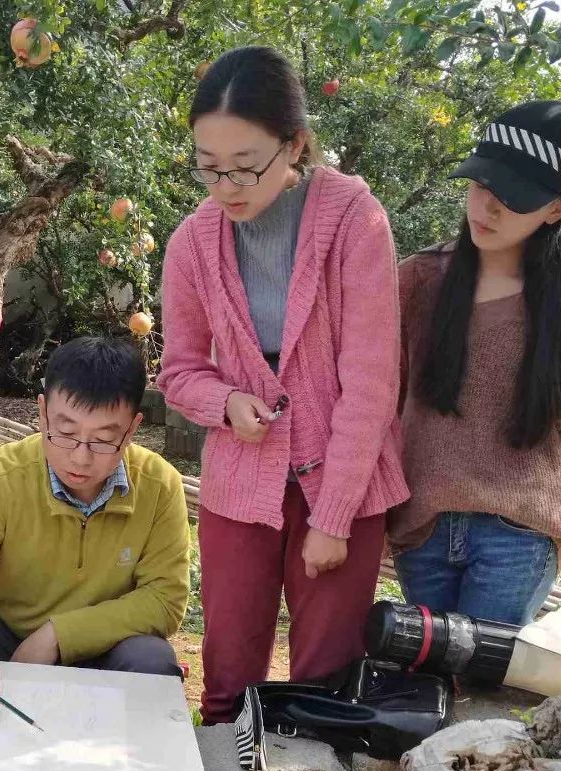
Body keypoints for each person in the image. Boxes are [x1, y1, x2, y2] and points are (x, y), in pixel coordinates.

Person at [158, 46, 408, 724]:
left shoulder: (354, 218)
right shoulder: (192, 243)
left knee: (326, 672)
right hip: (241, 483)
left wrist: (333, 518)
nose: (227, 187)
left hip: (345, 481)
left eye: (245, 167)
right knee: (229, 666)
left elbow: (371, 381)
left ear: (294, 143)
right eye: (209, 169)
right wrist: (224, 401)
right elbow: (178, 370)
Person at [389, 101, 561, 627]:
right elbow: (381, 396)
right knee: (428, 687)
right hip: (422, 529)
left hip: (521, 535)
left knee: (481, 693)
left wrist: (503, 474)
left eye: (511, 199)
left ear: (558, 208)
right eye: (480, 186)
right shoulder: (418, 280)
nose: (486, 208)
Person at [0, 337, 189, 709]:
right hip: (4, 639)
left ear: (132, 429)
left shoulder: (158, 485)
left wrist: (58, 635)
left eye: (104, 439)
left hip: (106, 644)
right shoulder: (2, 476)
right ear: (42, 413)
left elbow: (165, 600)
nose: (80, 458)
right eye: (66, 433)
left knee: (151, 663)